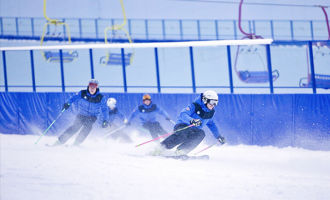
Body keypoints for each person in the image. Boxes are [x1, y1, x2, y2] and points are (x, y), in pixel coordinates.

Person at [150, 90, 226, 156]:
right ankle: (160, 148)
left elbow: (212, 125)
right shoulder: (194, 106)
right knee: (183, 133)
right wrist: (191, 120)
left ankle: (181, 150)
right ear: (205, 100)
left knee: (201, 134)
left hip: (194, 130)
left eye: (216, 102)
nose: (213, 105)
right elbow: (183, 114)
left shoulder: (211, 112)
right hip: (183, 125)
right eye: (212, 102)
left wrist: (218, 137)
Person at [52, 79, 109, 146]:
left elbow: (105, 109)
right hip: (82, 114)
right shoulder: (82, 93)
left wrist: (105, 120)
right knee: (75, 127)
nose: (92, 89)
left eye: (94, 87)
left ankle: (76, 143)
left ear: (97, 87)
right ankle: (60, 141)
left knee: (88, 127)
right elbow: (72, 98)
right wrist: (67, 103)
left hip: (93, 116)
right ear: (88, 86)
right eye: (91, 87)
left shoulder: (101, 97)